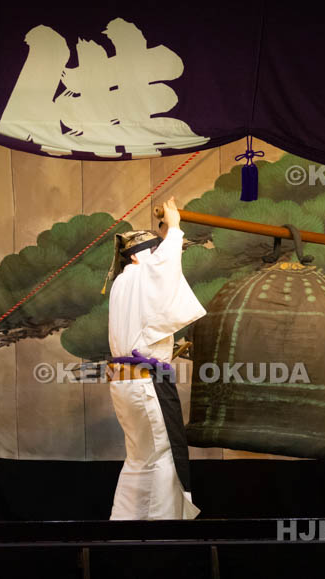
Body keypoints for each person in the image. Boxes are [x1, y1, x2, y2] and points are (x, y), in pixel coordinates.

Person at [102, 197, 206, 520]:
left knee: (139, 459)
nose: (158, 255)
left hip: (124, 384)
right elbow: (162, 271)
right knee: (163, 458)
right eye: (153, 250)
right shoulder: (141, 276)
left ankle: (123, 524)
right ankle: (163, 532)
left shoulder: (122, 283)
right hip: (146, 383)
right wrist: (174, 228)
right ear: (138, 256)